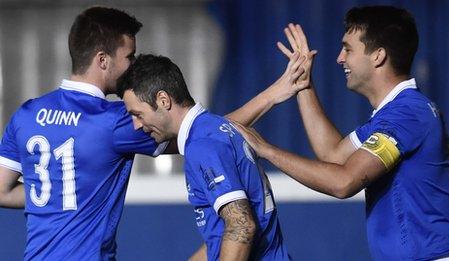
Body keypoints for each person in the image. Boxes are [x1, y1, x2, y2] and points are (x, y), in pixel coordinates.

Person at [0, 6, 308, 260]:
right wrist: (273, 94)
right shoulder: (115, 122)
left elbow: (2, 191)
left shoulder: (26, 114)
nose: (133, 65)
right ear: (103, 60)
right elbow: (201, 130)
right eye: (130, 56)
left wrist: (61, 197)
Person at [234, 6, 449, 260]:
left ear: (378, 56)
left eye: (348, 49)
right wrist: (303, 83)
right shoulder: (395, 113)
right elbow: (334, 156)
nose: (339, 58)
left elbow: (343, 182)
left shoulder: (408, 114)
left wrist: (265, 149)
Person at [117, 53, 303, 261]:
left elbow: (241, 226)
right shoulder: (217, 129)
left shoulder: (202, 146)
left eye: (138, 114)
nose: (136, 125)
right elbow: (223, 236)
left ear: (163, 100)